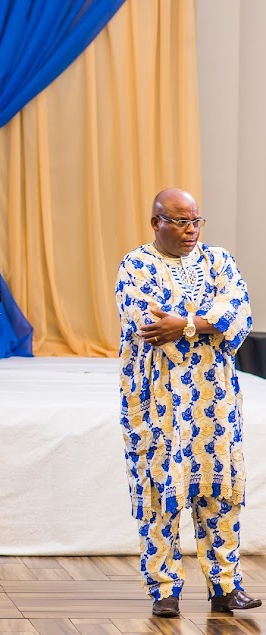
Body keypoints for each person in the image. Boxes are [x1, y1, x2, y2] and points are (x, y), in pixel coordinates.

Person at [115, 188, 261, 617]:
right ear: (156, 222)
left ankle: (225, 586)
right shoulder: (135, 265)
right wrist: (204, 323)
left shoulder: (220, 261)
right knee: (159, 490)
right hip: (156, 394)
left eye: (196, 221)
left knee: (220, 491)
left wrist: (189, 324)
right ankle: (164, 591)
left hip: (214, 398)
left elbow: (237, 311)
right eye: (179, 221)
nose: (190, 230)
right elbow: (152, 324)